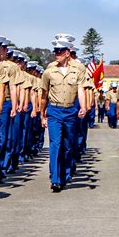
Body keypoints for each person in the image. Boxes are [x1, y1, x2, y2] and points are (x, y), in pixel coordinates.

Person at [40, 39, 86, 192]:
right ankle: (55, 179)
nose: (57, 55)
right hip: (54, 111)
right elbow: (44, 95)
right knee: (55, 144)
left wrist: (83, 107)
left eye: (60, 52)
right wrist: (42, 115)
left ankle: (65, 174)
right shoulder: (49, 72)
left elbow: (81, 90)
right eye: (56, 52)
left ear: (67, 53)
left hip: (70, 111)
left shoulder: (77, 71)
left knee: (68, 145)